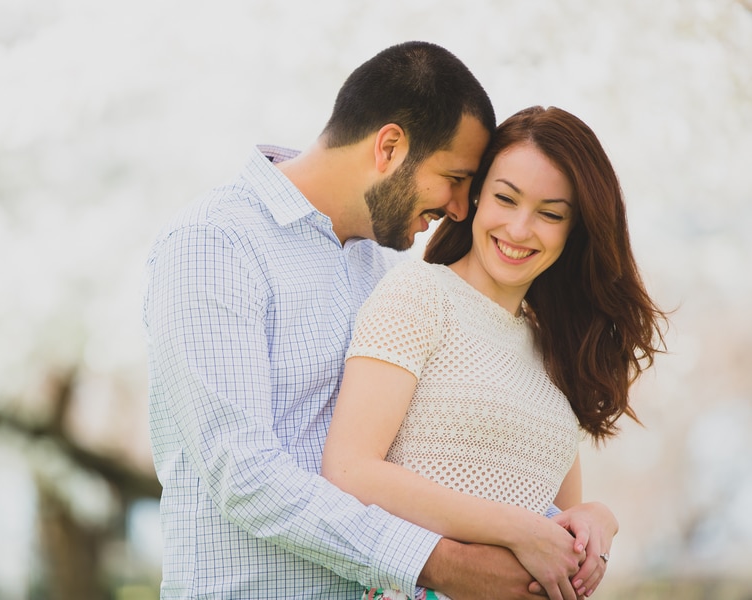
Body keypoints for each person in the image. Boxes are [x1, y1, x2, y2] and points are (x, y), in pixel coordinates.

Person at [144, 41, 613, 599]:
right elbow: (244, 476)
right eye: (455, 179)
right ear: (389, 147)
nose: (461, 209)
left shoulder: (383, 265)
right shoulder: (216, 242)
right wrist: (439, 563)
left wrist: (586, 520)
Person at [321, 106, 669, 600]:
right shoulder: (420, 294)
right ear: (478, 195)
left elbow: (553, 517)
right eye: (506, 199)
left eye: (550, 214)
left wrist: (595, 519)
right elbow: (349, 470)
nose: (520, 229)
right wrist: (516, 529)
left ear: (575, 231)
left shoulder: (556, 344)